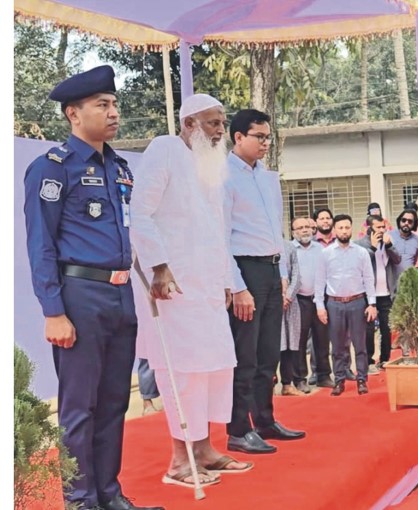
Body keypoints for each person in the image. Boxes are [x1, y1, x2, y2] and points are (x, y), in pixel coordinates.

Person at [24, 65, 164, 510]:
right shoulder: (52, 169)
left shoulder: (120, 169)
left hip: (121, 296)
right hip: (79, 297)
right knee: (78, 409)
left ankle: (109, 493)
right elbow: (40, 244)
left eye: (115, 103)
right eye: (102, 105)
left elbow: (131, 230)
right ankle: (81, 499)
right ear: (73, 113)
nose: (113, 112)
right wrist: (53, 310)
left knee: (114, 403)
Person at [131, 94, 254, 488]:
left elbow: (217, 235)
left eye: (222, 123)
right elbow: (141, 213)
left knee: (214, 369)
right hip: (173, 288)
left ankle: (203, 450)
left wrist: (229, 284)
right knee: (181, 372)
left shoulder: (211, 169)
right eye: (213, 123)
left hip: (207, 291)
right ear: (188, 124)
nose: (221, 131)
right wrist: (159, 267)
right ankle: (178, 462)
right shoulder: (164, 149)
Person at [223, 109, 305, 454]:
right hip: (246, 270)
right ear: (238, 137)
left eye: (268, 137)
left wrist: (283, 274)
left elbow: (278, 232)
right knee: (246, 356)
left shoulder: (269, 178)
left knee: (269, 352)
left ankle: (265, 420)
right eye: (259, 136)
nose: (265, 143)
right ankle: (239, 429)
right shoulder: (223, 176)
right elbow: (220, 237)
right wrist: (237, 285)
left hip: (272, 270)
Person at [315, 214, 378, 396]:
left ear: (352, 229)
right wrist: (320, 306)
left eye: (347, 227)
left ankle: (361, 379)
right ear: (335, 230)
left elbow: (368, 278)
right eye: (340, 228)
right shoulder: (325, 254)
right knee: (337, 346)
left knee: (360, 345)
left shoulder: (361, 252)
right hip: (334, 304)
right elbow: (320, 282)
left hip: (357, 302)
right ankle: (339, 379)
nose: (344, 231)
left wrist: (372, 304)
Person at [288, 216, 330, 390]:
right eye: (300, 228)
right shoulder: (290, 249)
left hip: (319, 299)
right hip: (299, 301)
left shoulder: (320, 249)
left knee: (322, 339)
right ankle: (300, 379)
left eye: (307, 227)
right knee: (300, 341)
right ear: (293, 232)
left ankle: (323, 375)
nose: (305, 230)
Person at [356, 215, 402, 371]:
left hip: (386, 293)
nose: (382, 230)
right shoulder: (361, 245)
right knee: (368, 329)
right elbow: (361, 265)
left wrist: (389, 246)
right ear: (369, 228)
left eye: (383, 227)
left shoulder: (388, 242)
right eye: (378, 228)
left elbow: (397, 260)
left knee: (386, 327)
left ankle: (384, 359)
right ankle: (369, 361)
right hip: (368, 294)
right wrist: (373, 248)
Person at [278, 226, 305, 396]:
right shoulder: (260, 249)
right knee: (273, 344)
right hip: (271, 302)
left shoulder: (289, 247)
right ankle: (268, 384)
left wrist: (287, 296)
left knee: (290, 344)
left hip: (290, 302)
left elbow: (296, 275)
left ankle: (287, 383)